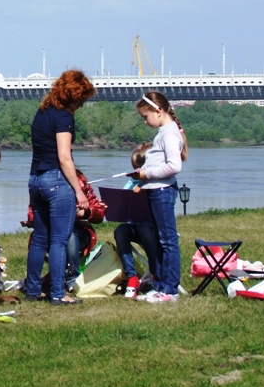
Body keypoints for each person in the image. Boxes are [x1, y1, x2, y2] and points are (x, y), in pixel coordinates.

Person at [23, 69, 96, 305]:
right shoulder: (64, 118)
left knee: (40, 238)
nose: (82, 105)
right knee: (59, 240)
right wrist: (78, 191)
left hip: (35, 179)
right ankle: (57, 293)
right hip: (56, 182)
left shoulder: (42, 112)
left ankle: (33, 290)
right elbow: (65, 157)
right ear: (73, 96)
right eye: (81, 99)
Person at [131, 91, 188, 303]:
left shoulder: (169, 133)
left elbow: (174, 166)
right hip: (155, 190)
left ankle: (170, 290)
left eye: (146, 117)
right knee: (159, 240)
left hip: (163, 191)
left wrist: (146, 174)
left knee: (167, 241)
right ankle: (161, 285)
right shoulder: (164, 132)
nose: (145, 122)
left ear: (158, 110)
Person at [24, 166, 105, 293]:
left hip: (79, 233)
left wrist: (85, 212)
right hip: (51, 232)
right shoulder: (44, 182)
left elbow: (99, 214)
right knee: (52, 235)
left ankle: (73, 276)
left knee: (69, 233)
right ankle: (37, 281)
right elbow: (32, 213)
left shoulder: (80, 181)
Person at [113, 142, 160, 299]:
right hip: (134, 224)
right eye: (134, 167)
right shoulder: (130, 182)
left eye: (139, 167)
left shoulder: (157, 182)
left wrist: (145, 190)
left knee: (145, 228)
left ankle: (155, 273)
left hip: (152, 227)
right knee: (120, 230)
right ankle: (132, 276)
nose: (136, 171)